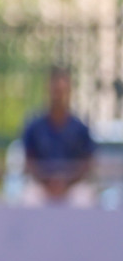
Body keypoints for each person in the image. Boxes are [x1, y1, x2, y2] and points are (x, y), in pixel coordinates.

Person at [22, 66, 95, 205]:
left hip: (73, 186)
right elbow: (29, 161)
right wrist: (48, 183)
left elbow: (87, 163)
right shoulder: (35, 127)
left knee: (84, 199)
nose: (58, 96)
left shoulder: (80, 128)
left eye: (62, 92)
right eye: (55, 91)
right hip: (42, 186)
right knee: (29, 198)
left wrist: (66, 183)